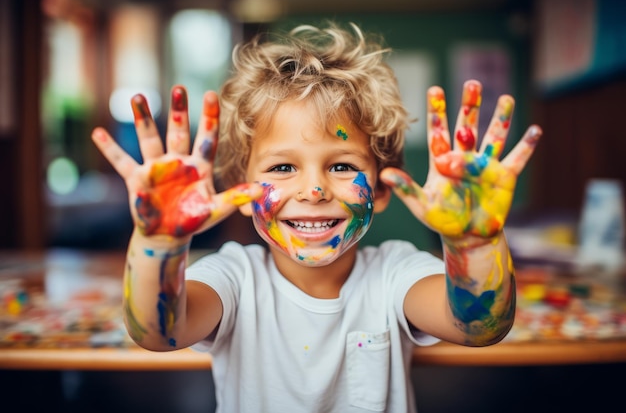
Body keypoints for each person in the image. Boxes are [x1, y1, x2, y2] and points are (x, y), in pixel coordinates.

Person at [91, 22, 542, 413]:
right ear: (241, 193)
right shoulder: (234, 278)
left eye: (343, 166)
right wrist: (160, 244)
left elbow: (481, 327)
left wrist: (474, 244)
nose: (314, 190)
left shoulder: (395, 273)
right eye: (282, 167)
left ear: (382, 189)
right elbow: (156, 333)